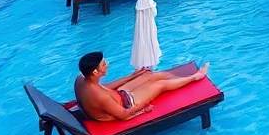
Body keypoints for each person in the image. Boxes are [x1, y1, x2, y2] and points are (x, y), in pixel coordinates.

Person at [74, 51, 210, 121]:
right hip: (126, 104)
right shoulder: (100, 96)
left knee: (149, 76)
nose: (107, 65)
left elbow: (107, 87)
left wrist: (133, 76)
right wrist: (143, 109)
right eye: (104, 64)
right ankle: (194, 77)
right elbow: (123, 115)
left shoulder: (81, 79)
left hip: (116, 96)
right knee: (160, 85)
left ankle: (181, 79)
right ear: (95, 72)